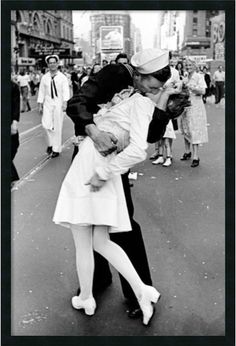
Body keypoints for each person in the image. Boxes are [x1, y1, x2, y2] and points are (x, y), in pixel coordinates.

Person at [53, 49, 182, 325]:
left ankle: (137, 292)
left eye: (158, 87)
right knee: (89, 228)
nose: (153, 90)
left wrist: (162, 110)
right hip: (92, 151)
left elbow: (149, 138)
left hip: (113, 163)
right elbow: (77, 103)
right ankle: (96, 282)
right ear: (138, 73)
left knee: (122, 226)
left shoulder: (152, 94)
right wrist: (94, 131)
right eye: (151, 85)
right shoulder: (114, 74)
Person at [151, 52, 182, 166]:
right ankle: (160, 154)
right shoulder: (155, 71)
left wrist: (171, 90)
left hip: (169, 104)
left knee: (168, 130)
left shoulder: (174, 72)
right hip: (157, 102)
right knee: (158, 127)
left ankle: (168, 155)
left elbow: (178, 88)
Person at [37, 55, 70, 158]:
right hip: (48, 103)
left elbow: (66, 91)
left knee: (57, 126)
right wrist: (40, 105)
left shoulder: (62, 77)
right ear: (48, 65)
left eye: (54, 62)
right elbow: (41, 91)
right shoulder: (44, 78)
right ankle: (50, 144)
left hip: (58, 104)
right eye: (50, 63)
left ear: (57, 64)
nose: (52, 64)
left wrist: (65, 103)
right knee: (46, 125)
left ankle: (56, 149)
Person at [179, 59, 208, 167]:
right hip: (186, 105)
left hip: (195, 106)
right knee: (186, 128)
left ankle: (196, 156)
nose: (188, 66)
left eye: (190, 65)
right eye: (186, 65)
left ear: (194, 66)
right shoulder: (185, 76)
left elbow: (203, 91)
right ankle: (187, 151)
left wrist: (190, 86)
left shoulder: (199, 76)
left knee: (194, 129)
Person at [11, 79, 21, 186]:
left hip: (8, 121)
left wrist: (14, 122)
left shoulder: (13, 86)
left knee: (14, 145)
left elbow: (16, 105)